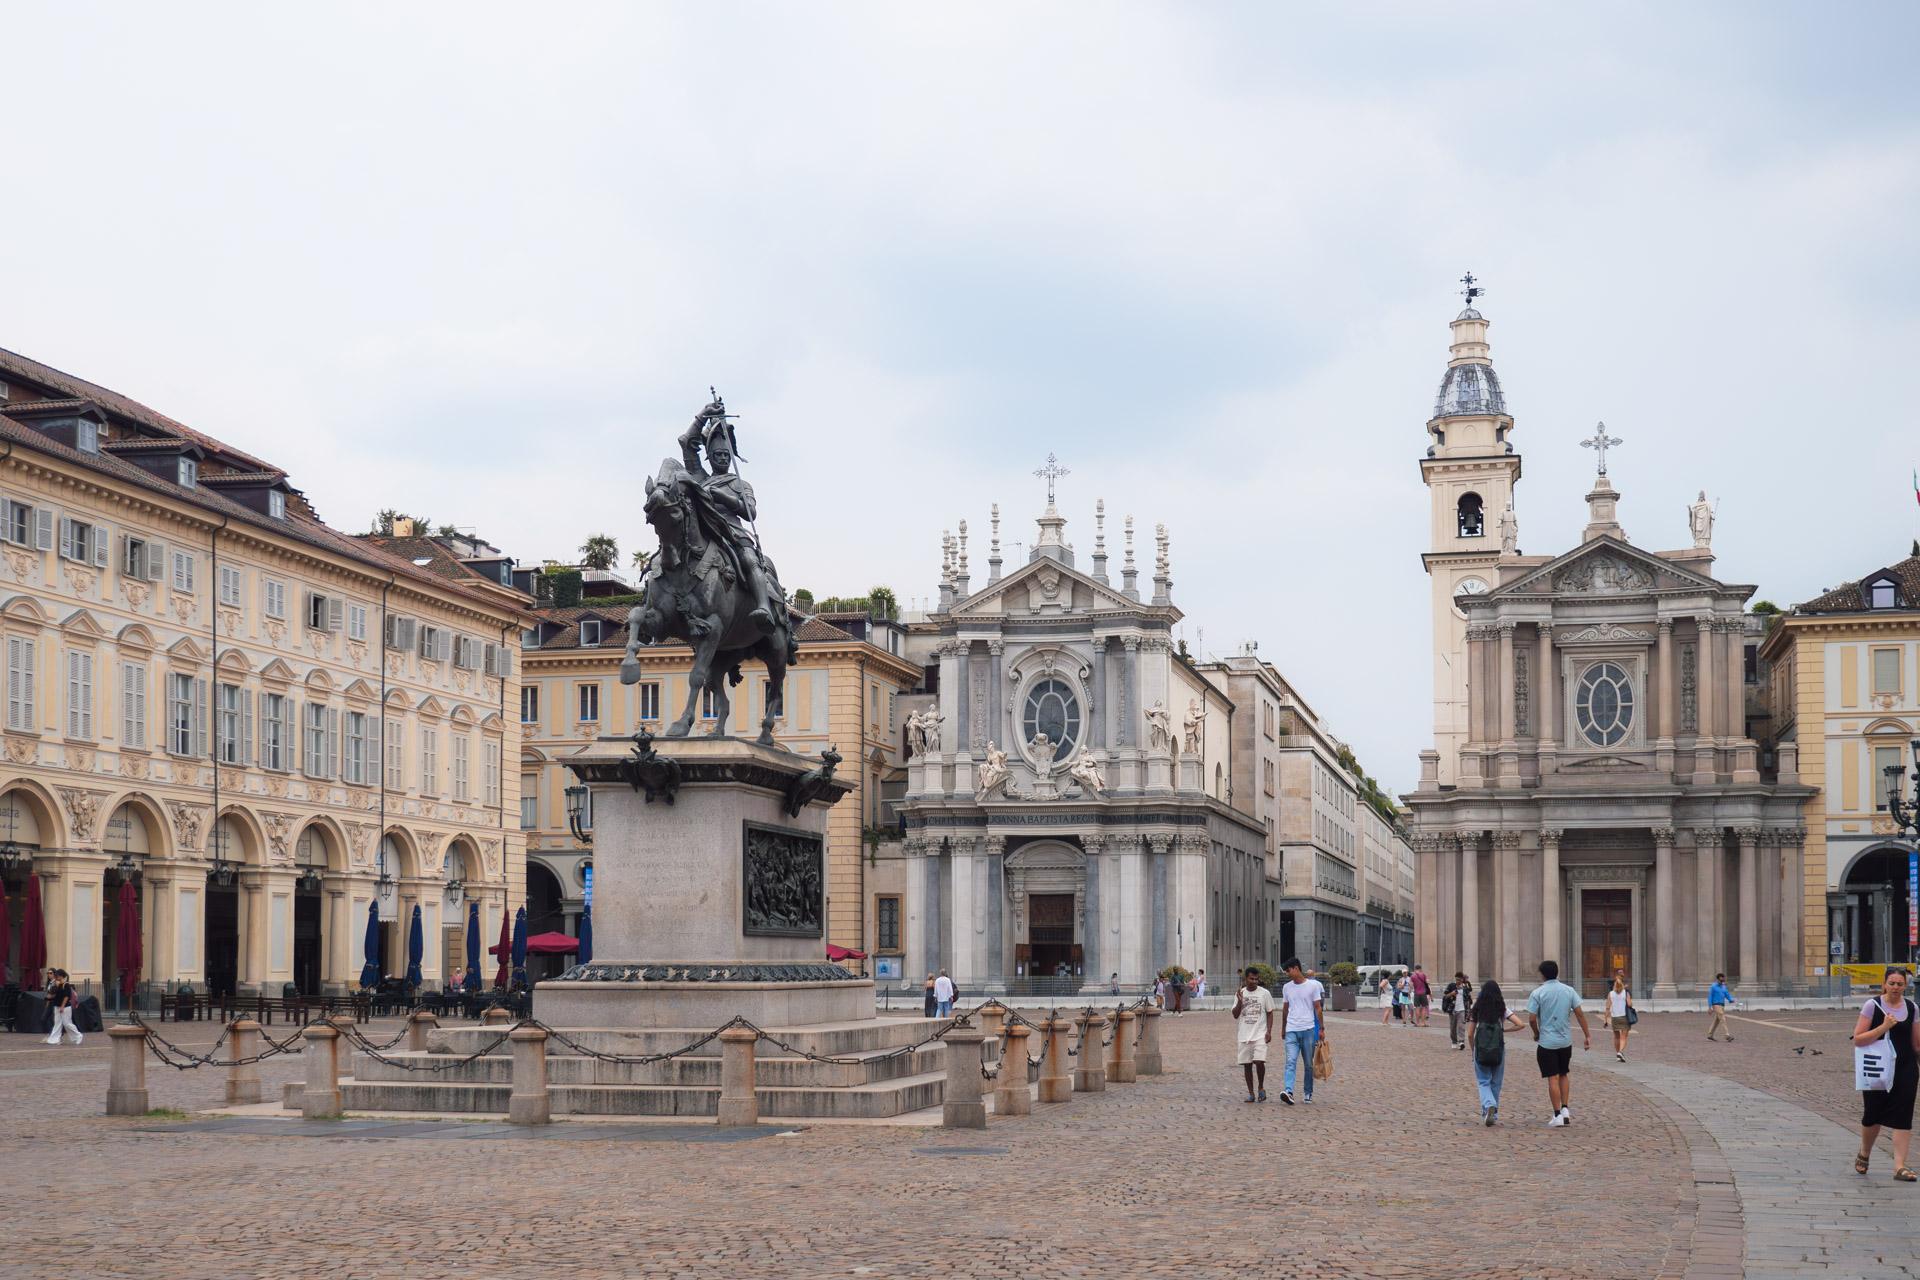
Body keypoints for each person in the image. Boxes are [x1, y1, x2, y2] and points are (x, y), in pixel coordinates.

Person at [1853, 967, 1920, 1181]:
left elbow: (1916, 1045)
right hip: (1877, 1068)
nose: (1896, 987)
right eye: (1892, 983)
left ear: (1905, 986)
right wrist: (1883, 1027)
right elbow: (1859, 1039)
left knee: (1903, 1114)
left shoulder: (1912, 1007)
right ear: (1884, 984)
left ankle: (1899, 1166)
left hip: (1905, 1067)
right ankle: (1865, 1152)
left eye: (1900, 984)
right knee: (1872, 1114)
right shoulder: (1872, 1006)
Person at [1526, 959, 1591, 1128]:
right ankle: (1565, 1109)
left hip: (1547, 1042)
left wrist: (1536, 1033)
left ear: (1542, 974)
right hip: (1565, 1041)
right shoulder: (1569, 991)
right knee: (1563, 1073)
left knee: (1552, 1078)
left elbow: (1532, 1018)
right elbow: (1580, 1014)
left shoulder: (1538, 993)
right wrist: (1587, 1035)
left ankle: (1557, 1115)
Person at [1467, 980, 1528, 1125]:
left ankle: (1488, 1106)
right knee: (1496, 1082)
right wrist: (1504, 1030)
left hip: (1481, 1048)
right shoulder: (1502, 1008)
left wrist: (1473, 1049)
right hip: (1498, 1048)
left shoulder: (1477, 1009)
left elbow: (1470, 1034)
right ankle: (1493, 1115)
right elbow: (1520, 1024)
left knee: (1483, 1081)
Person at [1277, 957, 1325, 1105]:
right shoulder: (1287, 987)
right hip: (1292, 1028)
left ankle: (1307, 1092)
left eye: (1288, 970)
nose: (1287, 973)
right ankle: (1289, 1091)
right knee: (1290, 1061)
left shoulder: (1313, 986)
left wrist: (1321, 1029)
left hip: (1308, 1029)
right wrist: (1284, 1027)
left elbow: (1318, 1008)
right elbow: (1285, 1009)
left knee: (1308, 1064)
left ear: (1296, 968)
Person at [1233, 966, 1276, 1103]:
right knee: (1247, 1065)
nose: (1254, 981)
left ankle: (1261, 1087)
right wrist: (1240, 1001)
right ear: (1246, 978)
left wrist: (1269, 1031)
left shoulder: (1264, 993)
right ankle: (1251, 1092)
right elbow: (1235, 1015)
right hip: (1244, 1034)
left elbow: (1270, 1012)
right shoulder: (1240, 993)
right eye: (1251, 978)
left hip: (1260, 1033)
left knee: (1259, 1061)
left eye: (1256, 979)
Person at [45, 969, 81, 1047]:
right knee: (57, 1023)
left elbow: (66, 996)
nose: (56, 977)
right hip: (56, 1006)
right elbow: (53, 995)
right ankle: (54, 1039)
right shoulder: (57, 985)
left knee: (67, 1023)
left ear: (61, 976)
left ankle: (78, 1035)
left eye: (57, 976)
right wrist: (55, 987)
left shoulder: (66, 985)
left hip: (65, 1007)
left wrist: (62, 1006)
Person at [1605, 972, 1635, 1062]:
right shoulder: (1625, 993)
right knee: (1624, 1037)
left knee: (1616, 1037)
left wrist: (1605, 1020)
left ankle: (1618, 1054)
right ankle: (1620, 1052)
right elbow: (1629, 1004)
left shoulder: (1610, 994)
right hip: (1624, 1017)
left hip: (1615, 1018)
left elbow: (1607, 1007)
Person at [1445, 972, 1473, 1050]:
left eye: (1460, 980)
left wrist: (1468, 1011)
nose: (1458, 981)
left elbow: (1468, 999)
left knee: (1461, 1026)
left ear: (1462, 980)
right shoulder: (1451, 986)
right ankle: (1454, 1041)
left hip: (1462, 1009)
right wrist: (1452, 994)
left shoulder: (1465, 987)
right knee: (1453, 1027)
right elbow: (1445, 996)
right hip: (1452, 1009)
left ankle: (1461, 1042)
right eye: (1457, 979)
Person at [1707, 972, 1736, 1042]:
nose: (1722, 980)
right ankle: (1727, 1035)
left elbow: (1727, 994)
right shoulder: (1713, 987)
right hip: (1716, 1005)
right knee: (1723, 1019)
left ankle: (1710, 1035)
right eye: (1721, 979)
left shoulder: (1724, 987)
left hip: (1722, 1005)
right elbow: (1710, 997)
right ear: (1718, 979)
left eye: (1723, 979)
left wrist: (1731, 999)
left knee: (1716, 1021)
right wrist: (1709, 1007)